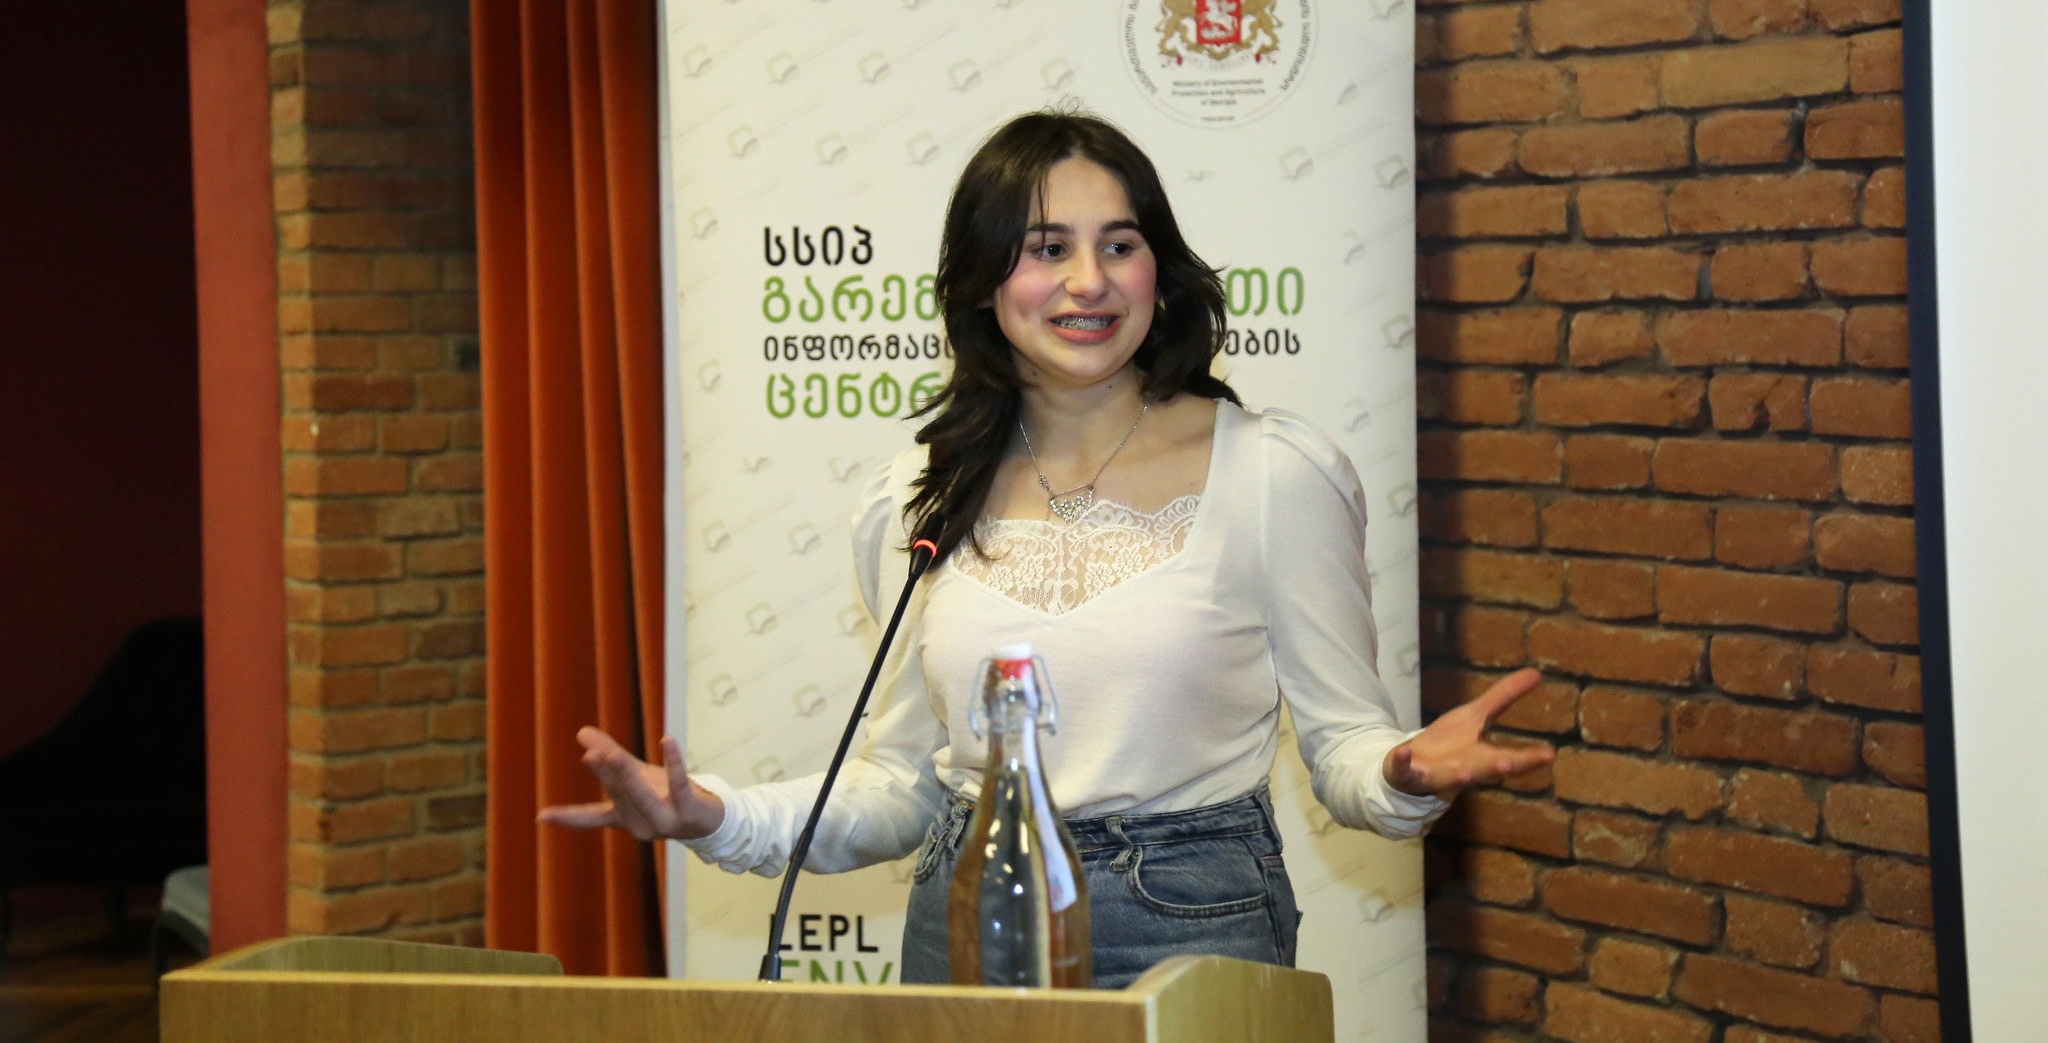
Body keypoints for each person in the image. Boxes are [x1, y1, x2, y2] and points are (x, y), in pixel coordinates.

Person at [540, 109, 1554, 987]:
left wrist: (1401, 772)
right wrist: (714, 815)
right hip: (959, 923)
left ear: (1158, 268)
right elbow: (903, 785)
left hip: (1191, 923)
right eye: (1046, 247)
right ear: (984, 280)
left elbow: (1345, 749)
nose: (1087, 281)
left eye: (1119, 244)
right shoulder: (918, 494)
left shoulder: (1272, 473)